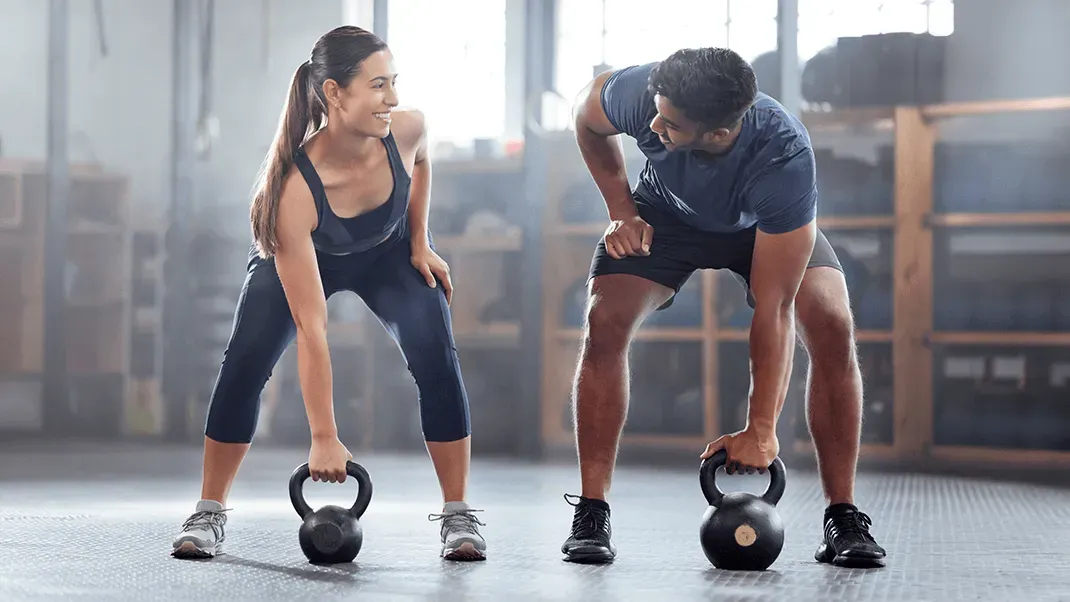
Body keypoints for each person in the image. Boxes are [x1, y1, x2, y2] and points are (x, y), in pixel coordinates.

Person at [560, 47, 887, 568]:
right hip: (662, 216)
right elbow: (586, 115)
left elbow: (774, 307)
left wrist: (761, 429)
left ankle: (842, 516)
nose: (653, 125)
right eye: (656, 113)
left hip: (760, 229)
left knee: (831, 322)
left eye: (669, 124)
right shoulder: (646, 92)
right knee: (604, 318)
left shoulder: (783, 157)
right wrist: (621, 211)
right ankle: (592, 513)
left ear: (717, 133)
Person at [170, 26, 487, 562]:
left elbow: (423, 163)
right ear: (335, 94)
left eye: (394, 83)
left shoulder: (407, 129)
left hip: (386, 253)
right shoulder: (294, 188)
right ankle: (208, 510)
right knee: (244, 363)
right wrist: (324, 436)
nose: (394, 98)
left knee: (436, 352)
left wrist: (418, 241)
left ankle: (458, 514)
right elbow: (313, 329)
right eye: (379, 85)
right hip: (303, 256)